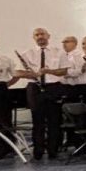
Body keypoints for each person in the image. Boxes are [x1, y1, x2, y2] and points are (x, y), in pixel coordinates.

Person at [12, 27, 72, 160]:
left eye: (42, 34)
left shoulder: (59, 52)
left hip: (54, 87)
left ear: (48, 36)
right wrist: (33, 74)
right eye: (37, 35)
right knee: (37, 121)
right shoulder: (27, 53)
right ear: (34, 38)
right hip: (35, 88)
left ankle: (53, 151)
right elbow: (17, 72)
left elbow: (64, 71)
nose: (40, 37)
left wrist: (49, 71)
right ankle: (38, 152)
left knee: (54, 121)